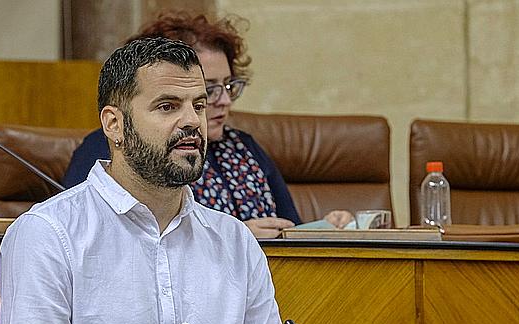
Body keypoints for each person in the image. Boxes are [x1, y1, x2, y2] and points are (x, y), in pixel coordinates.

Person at [0, 37, 305, 324]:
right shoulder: (49, 236)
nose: (191, 121)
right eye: (167, 106)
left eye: (198, 105)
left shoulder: (235, 244)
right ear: (114, 125)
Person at [63, 12, 352, 238]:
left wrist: (322, 228)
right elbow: (91, 228)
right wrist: (234, 237)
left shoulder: (244, 146)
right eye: (170, 104)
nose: (224, 100)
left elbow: (291, 228)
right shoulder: (111, 146)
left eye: (228, 86)